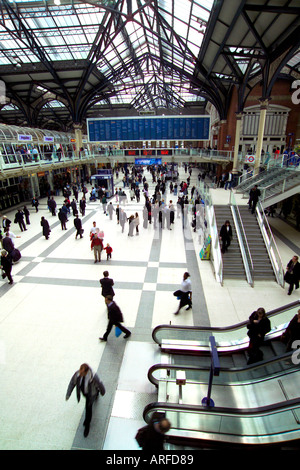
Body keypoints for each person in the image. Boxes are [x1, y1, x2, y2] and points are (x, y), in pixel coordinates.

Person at [65, 363, 105, 438]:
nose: (80, 374)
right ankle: (97, 394)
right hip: (85, 392)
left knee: (88, 408)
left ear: (86, 372)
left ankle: (87, 424)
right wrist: (68, 394)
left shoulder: (93, 376)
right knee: (89, 404)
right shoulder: (77, 374)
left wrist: (103, 392)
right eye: (80, 371)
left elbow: (100, 383)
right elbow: (72, 383)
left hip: (91, 394)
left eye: (82, 373)